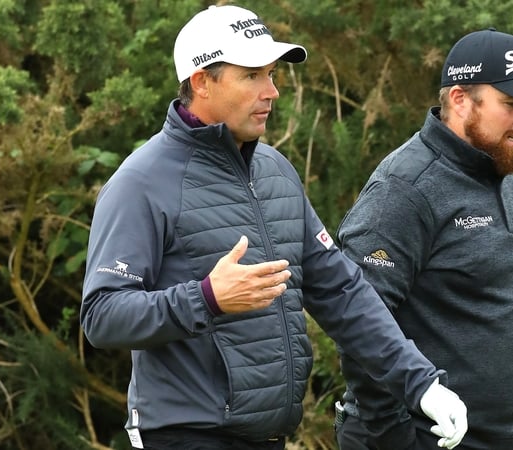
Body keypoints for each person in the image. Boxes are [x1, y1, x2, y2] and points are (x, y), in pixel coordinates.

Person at [79, 4, 469, 450]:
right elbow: (102, 317)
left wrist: (420, 385)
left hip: (269, 436)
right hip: (185, 437)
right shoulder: (140, 181)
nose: (272, 91)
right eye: (252, 76)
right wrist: (207, 299)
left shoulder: (275, 171)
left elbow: (342, 292)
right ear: (202, 81)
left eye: (271, 74)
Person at [333, 28, 513, 450]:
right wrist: (395, 438)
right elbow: (358, 322)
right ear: (460, 100)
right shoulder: (403, 189)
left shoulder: (498, 166)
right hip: (432, 439)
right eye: (512, 104)